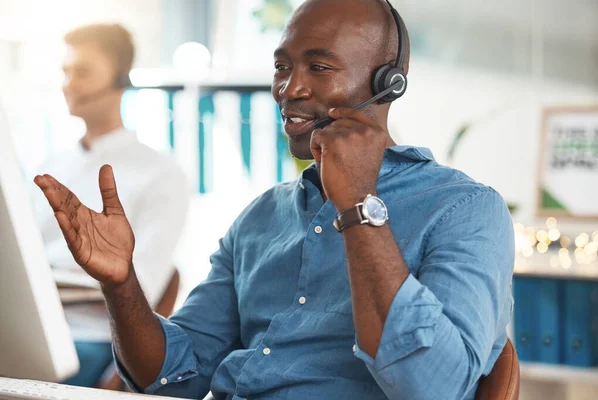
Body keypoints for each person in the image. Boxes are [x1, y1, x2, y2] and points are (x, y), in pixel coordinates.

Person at [35, 1, 514, 399]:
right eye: (282, 67)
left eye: (319, 67)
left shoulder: (465, 211)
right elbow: (173, 376)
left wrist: (358, 205)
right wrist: (120, 284)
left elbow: (435, 388)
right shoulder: (262, 216)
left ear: (389, 81)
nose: (289, 89)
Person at [31, 23, 189, 387]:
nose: (69, 84)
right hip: (39, 333)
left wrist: (47, 281)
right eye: (66, 72)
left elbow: (143, 289)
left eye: (83, 72)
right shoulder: (48, 166)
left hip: (95, 343)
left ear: (120, 80)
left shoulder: (160, 173)